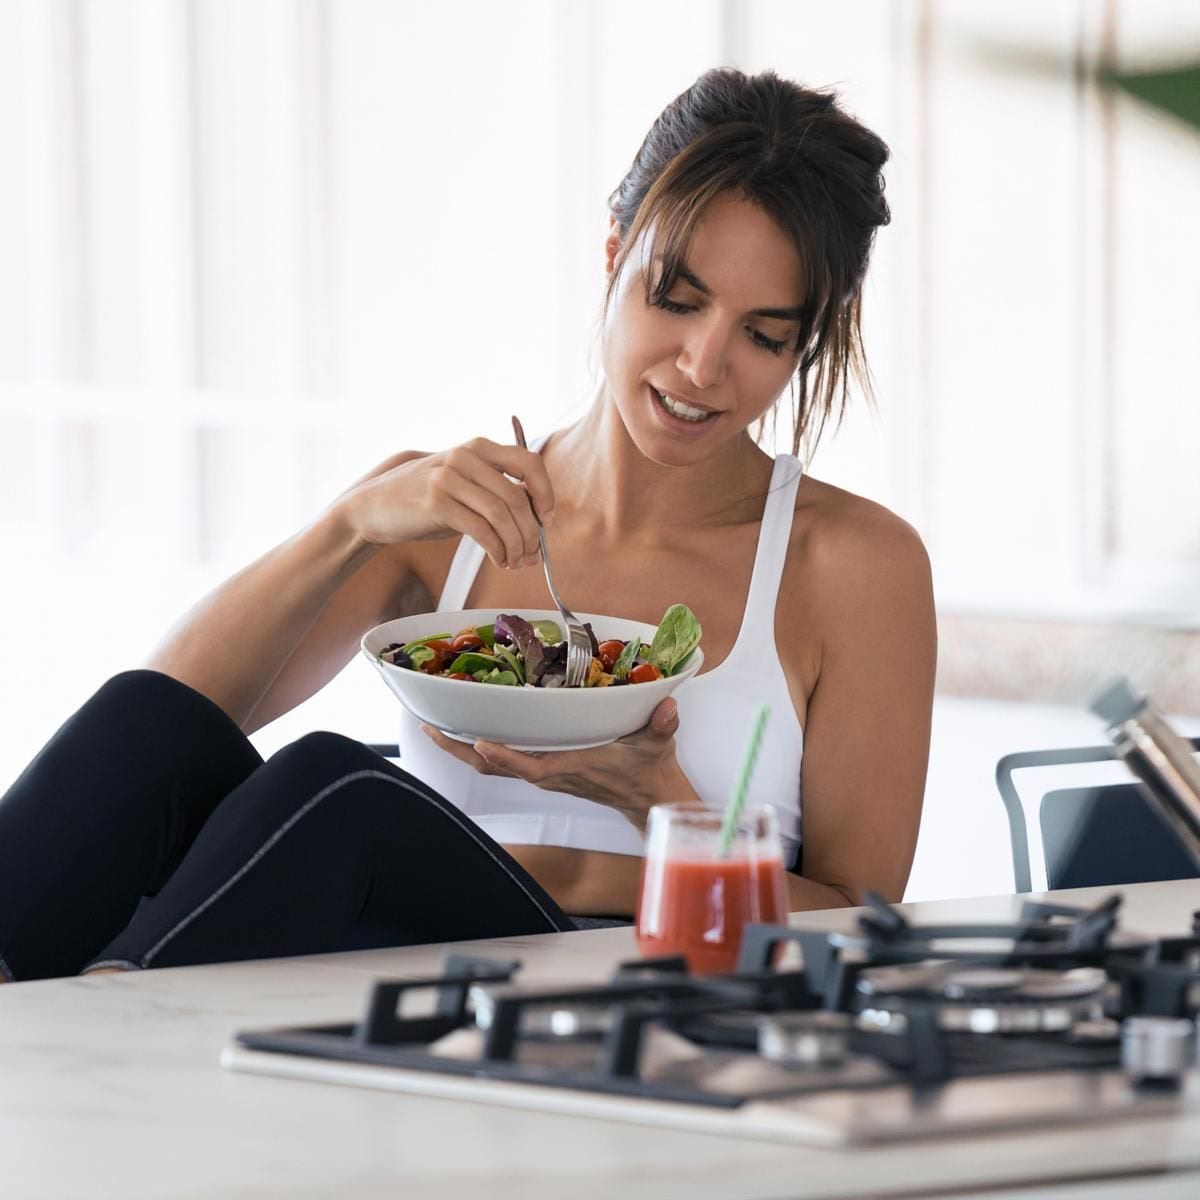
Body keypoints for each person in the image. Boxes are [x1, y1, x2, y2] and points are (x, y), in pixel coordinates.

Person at [0, 67, 935, 984]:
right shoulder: (443, 513)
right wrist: (351, 524)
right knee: (150, 720)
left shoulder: (850, 564)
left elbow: (862, 915)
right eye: (676, 299)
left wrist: (656, 809)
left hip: (628, 971)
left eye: (763, 336)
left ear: (805, 342)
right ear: (614, 254)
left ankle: (107, 1025)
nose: (701, 365)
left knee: (340, 792)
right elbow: (166, 728)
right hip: (396, 966)